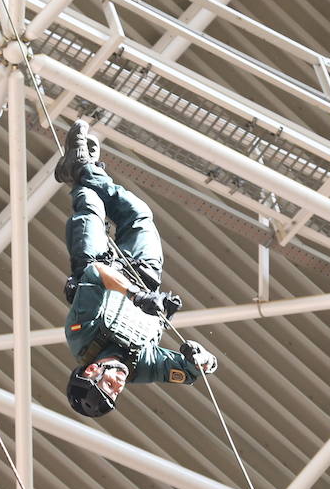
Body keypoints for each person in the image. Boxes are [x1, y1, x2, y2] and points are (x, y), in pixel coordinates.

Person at [58, 120, 219, 418]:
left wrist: (136, 298)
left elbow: (94, 275)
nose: (118, 383)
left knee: (90, 205)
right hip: (144, 272)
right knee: (140, 215)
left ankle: (82, 168)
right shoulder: (142, 367)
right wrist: (204, 360)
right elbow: (191, 373)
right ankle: (86, 168)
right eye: (116, 391)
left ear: (92, 369)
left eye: (108, 383)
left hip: (97, 261)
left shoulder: (81, 336)